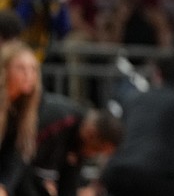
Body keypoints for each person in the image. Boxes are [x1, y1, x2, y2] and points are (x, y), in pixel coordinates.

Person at [101, 57, 174, 196]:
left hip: (117, 171)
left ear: (157, 74)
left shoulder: (135, 98)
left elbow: (116, 138)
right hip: (157, 175)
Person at [19, 93, 123, 196]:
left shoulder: (80, 144)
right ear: (91, 134)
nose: (94, 155)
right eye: (97, 150)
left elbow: (68, 185)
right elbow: (19, 157)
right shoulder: (60, 121)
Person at [0, 41, 41, 196]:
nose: (29, 75)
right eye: (21, 68)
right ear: (4, 70)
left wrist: (4, 186)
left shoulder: (23, 109)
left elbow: (17, 155)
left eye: (33, 69)